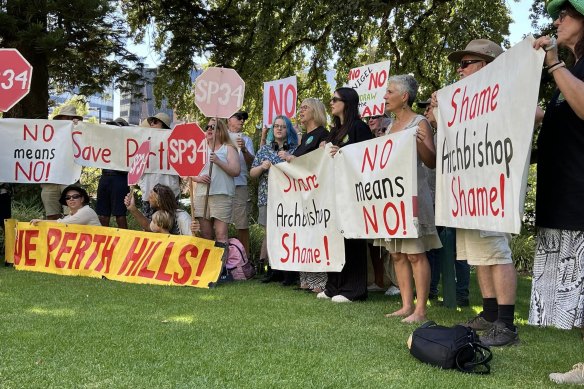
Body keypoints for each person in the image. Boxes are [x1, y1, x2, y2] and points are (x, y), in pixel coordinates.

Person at [432, 39, 518, 346]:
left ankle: (506, 325)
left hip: (491, 187)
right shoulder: (464, 103)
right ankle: (490, 314)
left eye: (466, 63)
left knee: (496, 252)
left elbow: (533, 113)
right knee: (479, 257)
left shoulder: (502, 93)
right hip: (468, 190)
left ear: (486, 66)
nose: (460, 69)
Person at [529, 0, 584, 331]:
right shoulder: (571, 69)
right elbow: (563, 119)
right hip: (558, 198)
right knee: (555, 320)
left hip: (578, 200)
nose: (557, 20)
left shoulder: (564, 69)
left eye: (565, 14)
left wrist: (553, 64)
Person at [377, 75, 441, 323]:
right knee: (396, 254)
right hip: (392, 198)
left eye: (389, 92)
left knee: (415, 254)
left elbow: (431, 160)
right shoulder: (389, 126)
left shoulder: (419, 122)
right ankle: (405, 305)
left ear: (404, 97)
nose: (384, 96)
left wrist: (419, 144)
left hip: (413, 196)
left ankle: (421, 310)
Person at [317, 87, 373, 303]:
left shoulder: (360, 128)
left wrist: (343, 152)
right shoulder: (335, 131)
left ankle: (354, 289)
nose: (331, 102)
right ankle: (334, 286)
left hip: (353, 194)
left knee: (352, 240)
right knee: (335, 241)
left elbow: (367, 157)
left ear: (347, 103)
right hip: (334, 194)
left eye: (335, 99)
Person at [417, 99, 470, 307]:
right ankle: (432, 290)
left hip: (453, 200)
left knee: (458, 250)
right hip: (435, 201)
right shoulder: (435, 136)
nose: (427, 111)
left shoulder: (454, 134)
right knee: (435, 248)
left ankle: (461, 294)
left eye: (431, 107)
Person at [279, 98, 330, 292]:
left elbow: (316, 162)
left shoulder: (323, 135)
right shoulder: (305, 138)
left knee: (315, 236)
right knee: (304, 236)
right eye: (300, 108)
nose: (301, 111)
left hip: (315, 195)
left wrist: (293, 159)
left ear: (316, 111)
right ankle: (306, 279)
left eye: (305, 108)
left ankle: (320, 281)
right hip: (301, 196)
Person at [251, 115, 299, 284]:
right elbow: (252, 174)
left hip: (288, 198)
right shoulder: (264, 150)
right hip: (267, 197)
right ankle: (273, 269)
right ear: (272, 129)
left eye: (283, 126)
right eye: (276, 126)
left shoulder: (294, 150)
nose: (279, 129)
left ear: (288, 130)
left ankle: (288, 271)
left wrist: (289, 158)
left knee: (288, 232)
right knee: (270, 234)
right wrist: (261, 167)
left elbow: (301, 170)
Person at [193, 119, 240, 245]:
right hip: (202, 195)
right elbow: (188, 171)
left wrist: (219, 161)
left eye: (213, 127)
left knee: (221, 235)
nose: (209, 129)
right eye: (207, 127)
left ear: (221, 131)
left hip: (222, 194)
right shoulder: (198, 148)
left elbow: (236, 171)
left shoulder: (228, 148)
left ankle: (222, 264)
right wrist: (198, 178)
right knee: (205, 235)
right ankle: (208, 264)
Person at [41, 105, 83, 220]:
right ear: (60, 119)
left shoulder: (79, 132)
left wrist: (77, 128)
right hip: (50, 180)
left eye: (71, 118)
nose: (68, 120)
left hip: (69, 178)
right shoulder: (48, 132)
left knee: (71, 214)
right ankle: (54, 237)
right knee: (51, 214)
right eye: (66, 117)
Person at [138, 112, 181, 217]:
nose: (151, 124)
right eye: (151, 122)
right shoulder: (144, 143)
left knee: (170, 226)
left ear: (164, 126)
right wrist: (141, 184)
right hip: (149, 193)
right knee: (149, 227)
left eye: (155, 122)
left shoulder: (175, 144)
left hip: (169, 194)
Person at [227, 111, 254, 258]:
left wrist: (244, 149)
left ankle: (245, 260)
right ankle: (221, 261)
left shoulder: (246, 139)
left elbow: (252, 163)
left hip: (240, 185)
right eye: (238, 117)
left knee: (242, 224)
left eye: (243, 118)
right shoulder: (219, 136)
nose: (242, 120)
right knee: (219, 224)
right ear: (228, 119)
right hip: (220, 186)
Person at [96, 117, 130, 228]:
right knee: (102, 215)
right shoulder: (104, 142)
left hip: (120, 178)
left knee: (120, 214)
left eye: (118, 126)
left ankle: (125, 239)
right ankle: (104, 239)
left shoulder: (128, 144)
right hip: (105, 177)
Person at [125, 183, 192, 235]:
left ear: (159, 202)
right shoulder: (159, 214)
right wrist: (132, 208)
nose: (148, 200)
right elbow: (148, 226)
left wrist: (162, 231)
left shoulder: (182, 218)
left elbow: (194, 242)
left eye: (151, 198)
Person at [31, 185, 100, 226]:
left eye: (75, 196)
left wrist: (41, 221)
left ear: (82, 199)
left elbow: (62, 223)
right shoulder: (70, 216)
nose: (71, 199)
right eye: (68, 197)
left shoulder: (86, 211)